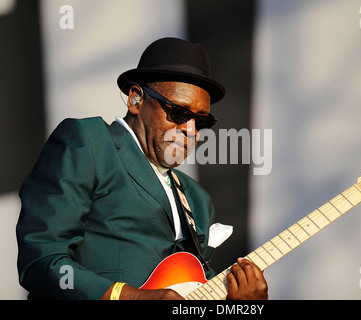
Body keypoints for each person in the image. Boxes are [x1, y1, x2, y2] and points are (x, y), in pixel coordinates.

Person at [16, 37, 268, 300]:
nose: (190, 130)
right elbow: (41, 259)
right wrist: (132, 297)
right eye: (179, 113)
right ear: (136, 100)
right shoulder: (90, 142)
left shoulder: (197, 199)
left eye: (201, 120)